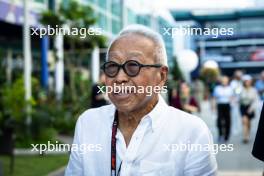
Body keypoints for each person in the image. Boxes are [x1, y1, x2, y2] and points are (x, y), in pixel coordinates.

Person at [65, 25, 217, 176]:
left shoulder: (191, 132)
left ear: (161, 76)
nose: (119, 78)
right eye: (112, 66)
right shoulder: (88, 123)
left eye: (133, 66)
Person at [213, 76, 233, 142]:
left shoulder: (230, 88)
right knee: (219, 121)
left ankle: (226, 136)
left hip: (227, 105)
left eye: (225, 81)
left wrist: (232, 105)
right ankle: (220, 134)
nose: (224, 82)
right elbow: (214, 98)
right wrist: (213, 106)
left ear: (227, 81)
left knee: (228, 121)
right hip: (220, 105)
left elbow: (232, 97)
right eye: (223, 80)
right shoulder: (217, 88)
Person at [239, 75, 259, 144]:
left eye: (248, 81)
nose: (247, 83)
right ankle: (245, 137)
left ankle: (248, 134)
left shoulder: (253, 90)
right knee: (244, 121)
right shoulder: (241, 89)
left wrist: (252, 108)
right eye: (246, 81)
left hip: (250, 107)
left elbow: (256, 100)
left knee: (249, 122)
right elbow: (237, 97)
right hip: (243, 106)